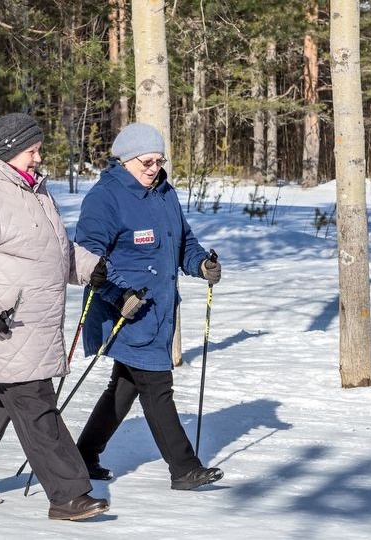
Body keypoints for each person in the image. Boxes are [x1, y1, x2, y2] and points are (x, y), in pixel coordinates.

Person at [0, 112, 111, 521]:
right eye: (31, 150)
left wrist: (86, 266)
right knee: (36, 405)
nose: (37, 157)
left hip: (31, 321)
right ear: (7, 151)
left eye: (37, 150)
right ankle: (69, 493)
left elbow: (50, 248)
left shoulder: (30, 189)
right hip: (4, 325)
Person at [73, 122, 224, 491]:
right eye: (146, 161)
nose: (154, 167)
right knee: (157, 386)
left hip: (159, 312)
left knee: (124, 386)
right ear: (124, 160)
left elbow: (183, 241)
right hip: (124, 313)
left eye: (159, 160)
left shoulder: (163, 192)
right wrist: (119, 294)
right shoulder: (105, 197)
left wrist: (201, 263)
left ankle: (82, 457)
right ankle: (184, 469)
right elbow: (87, 258)